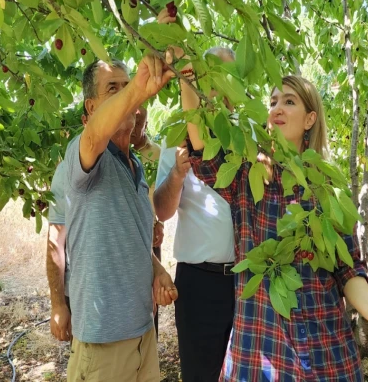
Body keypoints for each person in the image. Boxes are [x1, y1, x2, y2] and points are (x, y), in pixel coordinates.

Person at [182, 73, 368, 381]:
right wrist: (184, 76)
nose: (277, 108)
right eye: (272, 102)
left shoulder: (327, 188)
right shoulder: (248, 176)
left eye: (289, 101)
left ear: (310, 118)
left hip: (322, 346)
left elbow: (348, 270)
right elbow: (201, 143)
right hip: (260, 347)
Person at [63, 54, 178, 382]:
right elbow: (96, 134)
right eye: (112, 89)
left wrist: (158, 272)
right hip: (103, 345)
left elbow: (134, 243)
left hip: (143, 335)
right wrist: (138, 90)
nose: (127, 95)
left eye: (127, 87)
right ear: (90, 108)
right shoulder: (85, 154)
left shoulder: (136, 168)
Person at [153, 47, 236, 382]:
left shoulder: (250, 138)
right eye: (210, 76)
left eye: (227, 77)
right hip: (199, 282)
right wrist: (176, 175)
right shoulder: (175, 142)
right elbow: (162, 210)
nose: (217, 87)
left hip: (247, 282)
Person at [46, 106, 162, 343]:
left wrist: (155, 273)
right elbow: (55, 241)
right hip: (93, 308)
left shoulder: (132, 166)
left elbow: (134, 237)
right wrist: (58, 304)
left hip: (136, 315)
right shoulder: (71, 168)